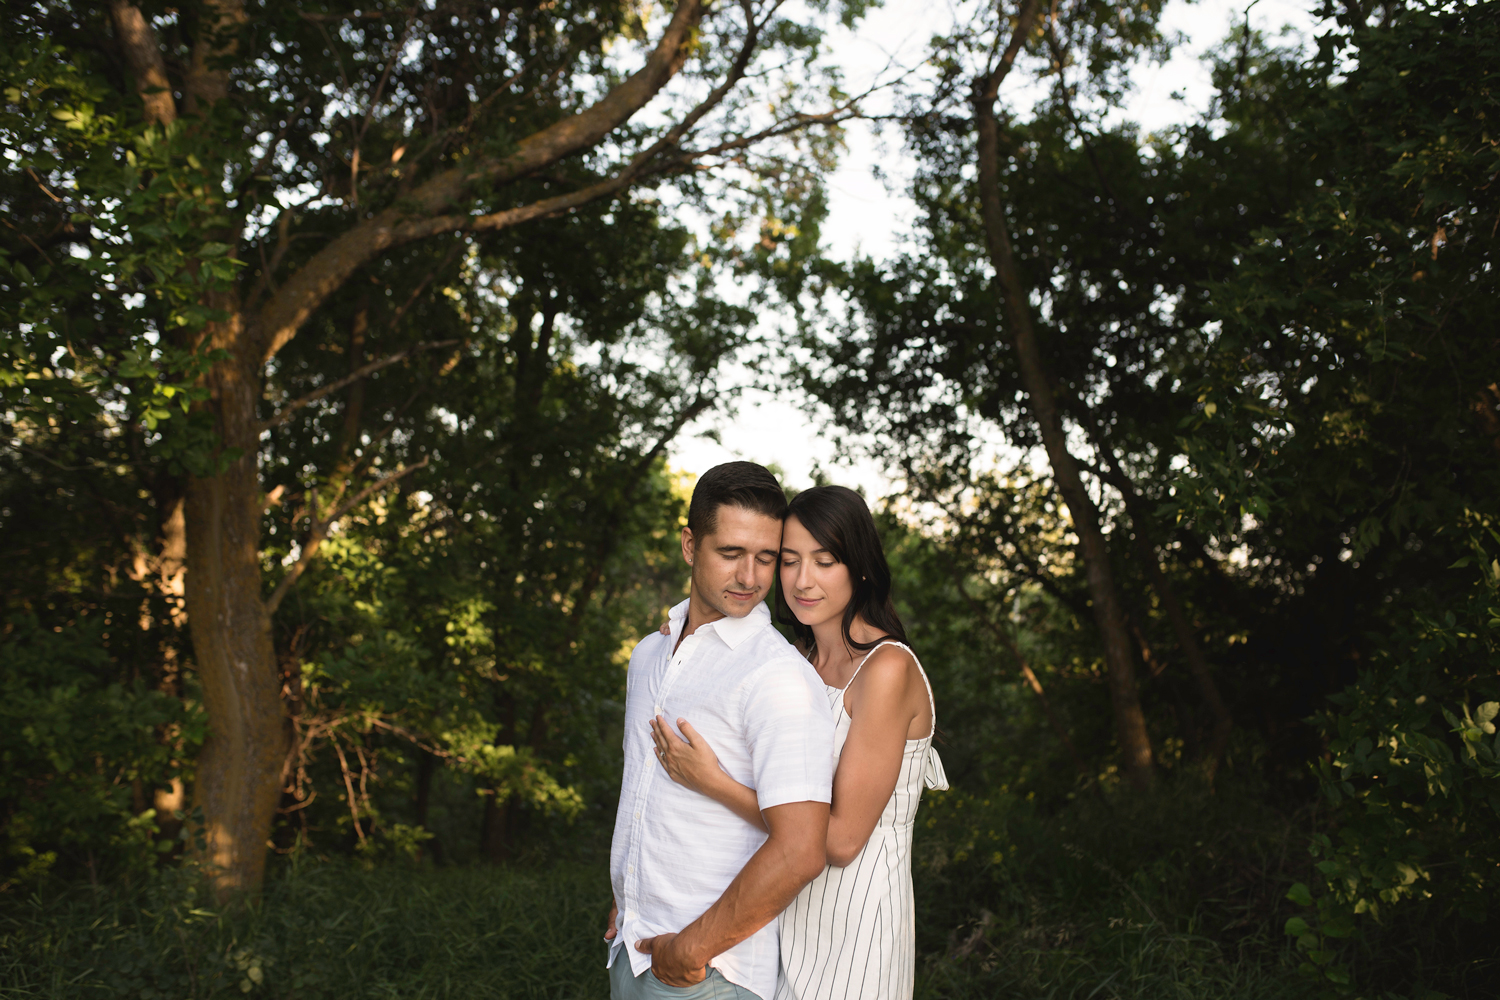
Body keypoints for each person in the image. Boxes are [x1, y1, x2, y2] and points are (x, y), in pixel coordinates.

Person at [649, 485, 947, 1000]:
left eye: (825, 561)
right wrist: (685, 630)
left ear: (861, 567)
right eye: (788, 561)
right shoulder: (797, 661)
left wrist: (713, 783)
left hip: (855, 929)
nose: (803, 581)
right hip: (783, 919)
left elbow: (836, 842)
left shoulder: (887, 669)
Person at [606, 462, 836, 1000]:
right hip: (631, 945)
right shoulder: (648, 655)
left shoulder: (778, 677)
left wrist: (689, 951)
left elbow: (802, 849)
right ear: (690, 546)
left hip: (708, 975)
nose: (750, 578)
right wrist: (630, 891)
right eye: (730, 553)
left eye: (766, 558)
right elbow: (644, 792)